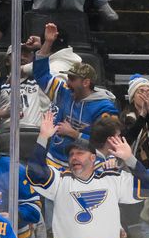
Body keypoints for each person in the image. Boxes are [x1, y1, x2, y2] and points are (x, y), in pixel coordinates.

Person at [26, 111, 149, 238]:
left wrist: (130, 159)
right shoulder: (61, 180)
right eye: (71, 154)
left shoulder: (112, 179)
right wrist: (43, 138)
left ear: (93, 158)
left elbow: (148, 187)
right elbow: (34, 172)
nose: (74, 157)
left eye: (79, 153)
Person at [33, 22, 118, 170]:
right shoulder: (63, 92)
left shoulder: (105, 108)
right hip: (55, 159)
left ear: (86, 82)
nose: (67, 81)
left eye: (72, 79)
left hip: (87, 163)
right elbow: (40, 74)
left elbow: (107, 144)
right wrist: (48, 42)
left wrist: (74, 134)